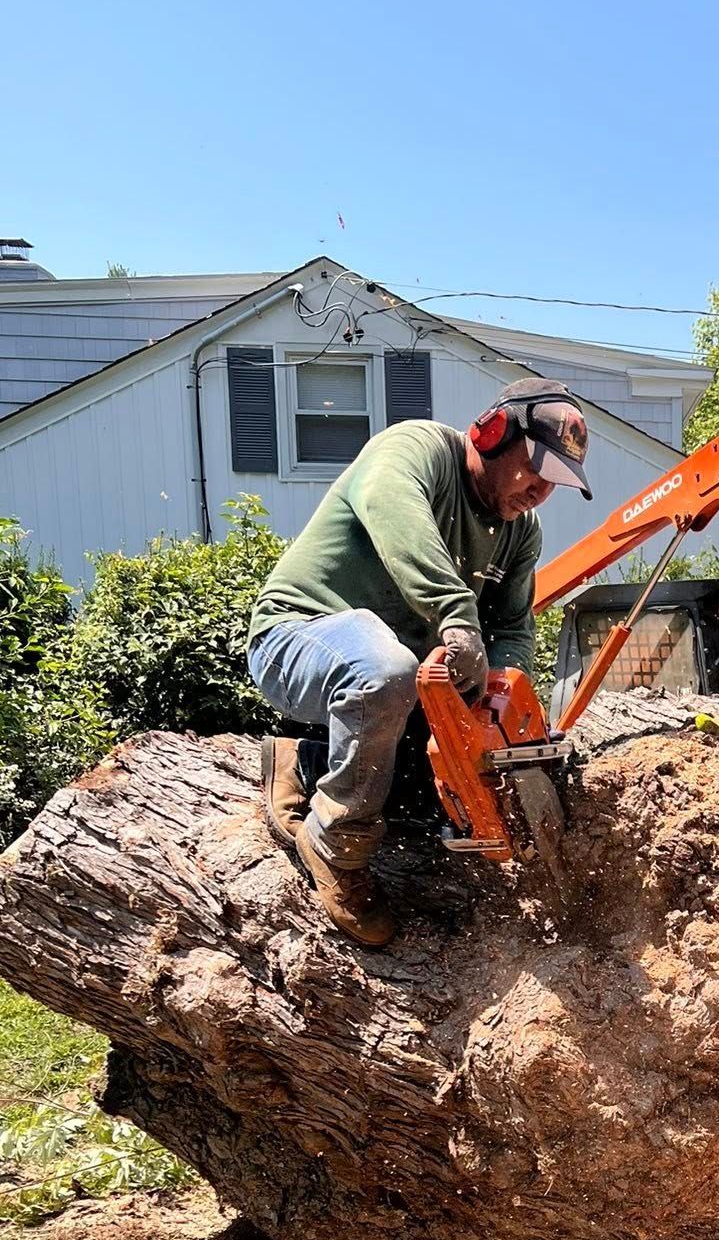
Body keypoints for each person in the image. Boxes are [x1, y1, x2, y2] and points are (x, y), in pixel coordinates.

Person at [248, 376, 593, 945]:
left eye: (556, 483)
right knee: (386, 669)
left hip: (394, 683)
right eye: (537, 471)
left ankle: (305, 766)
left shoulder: (519, 532)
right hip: (297, 637)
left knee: (446, 772)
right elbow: (396, 515)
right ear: (493, 434)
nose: (539, 492)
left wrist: (499, 703)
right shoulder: (414, 450)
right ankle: (335, 842)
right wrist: (457, 615)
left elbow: (511, 628)